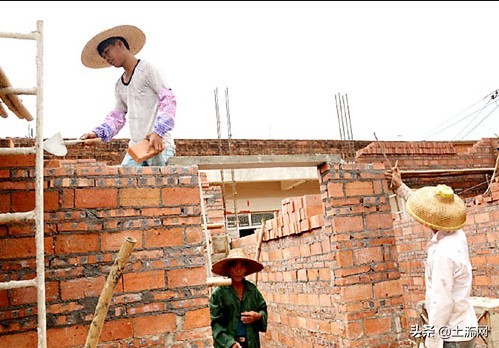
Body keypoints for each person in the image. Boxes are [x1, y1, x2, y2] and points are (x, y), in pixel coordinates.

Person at [385, 166, 478, 348]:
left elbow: (441, 301)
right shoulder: (457, 234)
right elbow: (424, 207)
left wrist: (432, 341)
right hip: (466, 327)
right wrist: (401, 187)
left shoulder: (443, 253)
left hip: (451, 336)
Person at [79, 25, 176, 166]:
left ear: (119, 44)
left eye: (107, 52)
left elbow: (168, 100)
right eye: (104, 57)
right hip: (137, 148)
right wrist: (97, 133)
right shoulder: (119, 85)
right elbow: (117, 117)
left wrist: (158, 132)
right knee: (121, 181)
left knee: (162, 186)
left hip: (158, 144)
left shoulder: (146, 69)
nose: (107, 59)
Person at [209, 248, 268, 348]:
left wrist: (257, 316)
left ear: (246, 269)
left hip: (250, 343)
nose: (238, 270)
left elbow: (263, 310)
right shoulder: (218, 294)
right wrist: (230, 343)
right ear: (228, 269)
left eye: (242, 266)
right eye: (234, 266)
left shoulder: (252, 290)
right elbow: (216, 325)